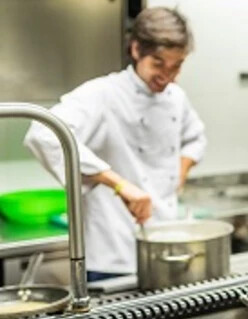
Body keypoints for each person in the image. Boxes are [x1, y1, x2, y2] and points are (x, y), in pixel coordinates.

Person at [25, 7, 205, 281]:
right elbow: (43, 132)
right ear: (136, 50)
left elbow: (195, 137)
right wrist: (119, 184)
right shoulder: (104, 93)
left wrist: (180, 172)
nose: (167, 76)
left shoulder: (176, 98)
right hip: (111, 252)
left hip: (165, 238)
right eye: (158, 63)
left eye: (176, 65)